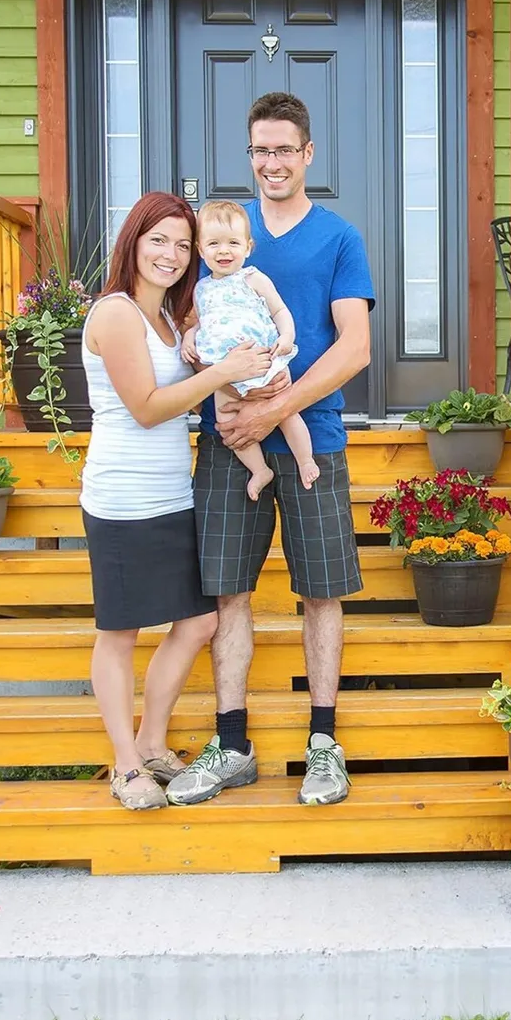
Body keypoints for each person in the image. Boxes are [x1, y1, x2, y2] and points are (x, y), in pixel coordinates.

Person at [167, 92, 375, 809]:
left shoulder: (339, 238)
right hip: (228, 439)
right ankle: (232, 744)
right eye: (261, 149)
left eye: (285, 149)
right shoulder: (222, 232)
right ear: (249, 154)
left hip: (310, 437)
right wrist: (193, 347)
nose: (272, 161)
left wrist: (278, 409)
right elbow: (189, 318)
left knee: (321, 592)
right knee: (229, 589)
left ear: (308, 153)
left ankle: (323, 744)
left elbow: (356, 347)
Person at [79, 192, 274, 811]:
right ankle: (125, 764)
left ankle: (153, 742)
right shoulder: (115, 314)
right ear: (133, 241)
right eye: (158, 240)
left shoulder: (169, 318)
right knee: (120, 632)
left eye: (182, 244)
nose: (171, 254)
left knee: (198, 621)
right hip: (122, 498)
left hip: (170, 494)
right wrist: (223, 372)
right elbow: (146, 408)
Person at [183, 200, 320, 501]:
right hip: (225, 374)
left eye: (233, 243)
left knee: (286, 411)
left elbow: (280, 310)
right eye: (214, 243)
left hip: (264, 360)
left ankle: (305, 458)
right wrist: (189, 337)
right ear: (200, 249)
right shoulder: (201, 288)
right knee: (226, 421)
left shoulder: (253, 278)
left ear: (247, 247)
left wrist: (286, 336)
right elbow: (201, 323)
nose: (223, 251)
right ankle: (259, 470)